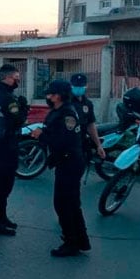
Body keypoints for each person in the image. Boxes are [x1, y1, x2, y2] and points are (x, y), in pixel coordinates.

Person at [31, 80, 91, 257]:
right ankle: (81, 240)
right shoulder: (57, 112)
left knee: (64, 204)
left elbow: (62, 142)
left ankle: (71, 242)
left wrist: (41, 136)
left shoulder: (67, 114)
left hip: (70, 163)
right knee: (71, 203)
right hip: (64, 162)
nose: (47, 97)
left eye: (50, 94)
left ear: (58, 95)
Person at [0, 64, 29, 236]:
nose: (18, 81)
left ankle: (1, 218)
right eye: (16, 78)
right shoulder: (8, 98)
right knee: (4, 186)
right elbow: (18, 120)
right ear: (7, 78)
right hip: (7, 144)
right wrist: (24, 108)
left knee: (2, 185)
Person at [68, 73, 107, 163]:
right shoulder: (66, 102)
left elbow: (91, 125)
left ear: (86, 86)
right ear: (71, 86)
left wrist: (98, 145)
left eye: (81, 86)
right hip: (67, 144)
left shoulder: (88, 104)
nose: (78, 88)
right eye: (76, 86)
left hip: (81, 143)